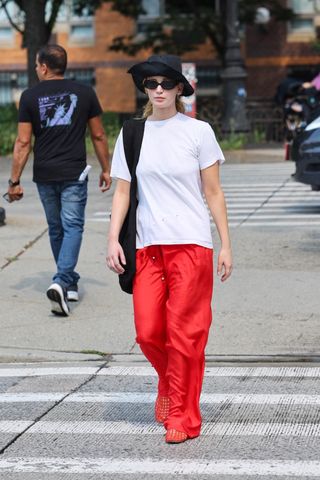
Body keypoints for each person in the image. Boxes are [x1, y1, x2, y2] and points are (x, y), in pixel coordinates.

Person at [107, 55, 232, 443]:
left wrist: (226, 244)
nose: (157, 89)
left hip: (192, 244)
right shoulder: (132, 134)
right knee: (147, 332)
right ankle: (168, 381)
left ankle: (183, 416)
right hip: (147, 246)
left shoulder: (198, 132)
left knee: (185, 334)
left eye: (165, 83)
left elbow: (213, 191)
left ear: (180, 88)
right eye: (150, 83)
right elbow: (123, 192)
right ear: (145, 89)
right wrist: (112, 238)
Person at [7, 44, 111, 317]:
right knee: (73, 226)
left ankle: (65, 280)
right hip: (73, 172)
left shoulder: (30, 97)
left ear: (42, 66)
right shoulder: (85, 93)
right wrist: (106, 169)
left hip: (45, 173)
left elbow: (23, 141)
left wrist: (14, 181)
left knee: (57, 228)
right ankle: (65, 281)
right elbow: (98, 135)